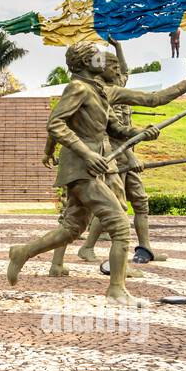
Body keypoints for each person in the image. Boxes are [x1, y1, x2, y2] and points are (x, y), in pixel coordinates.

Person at [6, 42, 186, 307]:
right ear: (87, 63)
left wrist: (141, 130)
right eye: (98, 58)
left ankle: (22, 252)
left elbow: (147, 103)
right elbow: (55, 124)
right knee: (121, 226)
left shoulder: (101, 92)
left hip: (92, 169)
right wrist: (87, 154)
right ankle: (116, 289)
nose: (104, 62)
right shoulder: (78, 88)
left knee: (71, 229)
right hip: (82, 169)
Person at [74, 38, 166, 263]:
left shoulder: (118, 88)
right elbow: (113, 132)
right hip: (114, 154)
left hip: (129, 152)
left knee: (140, 200)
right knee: (114, 204)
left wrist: (118, 47)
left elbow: (124, 71)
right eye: (114, 68)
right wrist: (132, 150)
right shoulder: (102, 95)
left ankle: (145, 247)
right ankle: (87, 247)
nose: (120, 72)